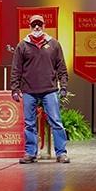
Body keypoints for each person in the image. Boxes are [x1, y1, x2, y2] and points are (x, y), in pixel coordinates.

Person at [11, 14, 70, 164]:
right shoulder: (22, 46)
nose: (36, 27)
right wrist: (15, 88)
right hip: (29, 91)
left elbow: (62, 67)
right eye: (33, 25)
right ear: (30, 27)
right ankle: (30, 153)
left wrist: (63, 86)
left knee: (56, 122)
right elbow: (16, 69)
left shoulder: (54, 44)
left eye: (39, 24)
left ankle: (61, 153)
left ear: (44, 26)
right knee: (29, 123)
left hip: (49, 90)